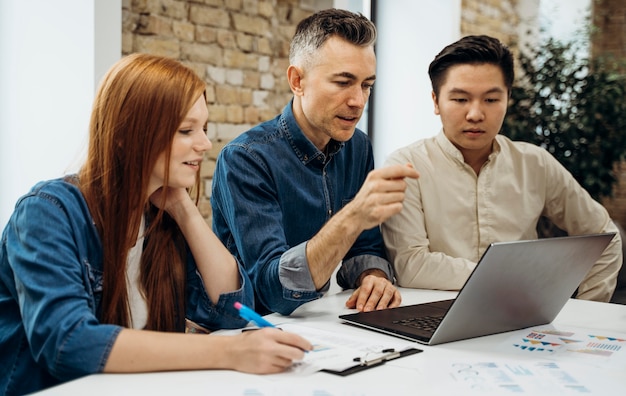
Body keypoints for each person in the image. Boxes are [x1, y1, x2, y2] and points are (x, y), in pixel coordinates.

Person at [0, 53, 312, 395]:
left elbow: (236, 311)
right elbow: (67, 342)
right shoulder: (47, 213)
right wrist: (228, 353)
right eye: (185, 130)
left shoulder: (161, 217)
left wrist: (183, 209)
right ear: (125, 134)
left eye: (204, 129)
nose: (205, 144)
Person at [381, 35, 623, 302]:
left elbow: (605, 237)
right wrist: (511, 278)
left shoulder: (535, 163)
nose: (475, 114)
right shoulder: (406, 166)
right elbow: (411, 266)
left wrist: (585, 311)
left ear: (508, 98)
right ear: (436, 102)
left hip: (522, 318)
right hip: (432, 317)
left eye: (491, 100)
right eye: (460, 99)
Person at [211, 9, 419, 316]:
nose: (358, 101)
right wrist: (354, 215)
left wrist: (372, 277)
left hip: (323, 326)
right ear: (297, 80)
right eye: (343, 82)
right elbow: (274, 291)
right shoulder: (246, 159)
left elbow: (364, 248)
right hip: (252, 330)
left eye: (366, 85)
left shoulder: (357, 147)